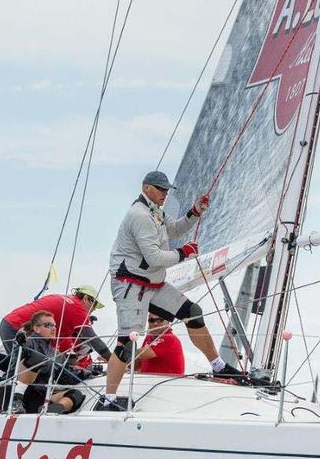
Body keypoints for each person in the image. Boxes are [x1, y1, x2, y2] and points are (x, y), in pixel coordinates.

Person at [100, 170, 243, 410]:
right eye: (160, 189)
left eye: (167, 190)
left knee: (192, 312)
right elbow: (154, 257)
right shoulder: (139, 215)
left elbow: (175, 230)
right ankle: (109, 399)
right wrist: (184, 253)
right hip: (131, 285)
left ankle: (218, 367)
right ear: (146, 188)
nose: (165, 194)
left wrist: (195, 212)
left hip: (152, 283)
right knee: (127, 344)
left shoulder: (155, 212)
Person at [0, 285, 111, 362]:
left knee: (37, 367)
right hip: (17, 329)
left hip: (11, 324)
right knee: (26, 370)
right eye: (95, 304)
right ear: (86, 298)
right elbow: (92, 338)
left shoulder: (67, 300)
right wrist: (113, 360)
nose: (95, 309)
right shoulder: (77, 308)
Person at [16, 311, 87, 414]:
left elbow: (66, 377)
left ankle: (52, 410)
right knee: (36, 358)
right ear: (36, 328)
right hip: (25, 395)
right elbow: (19, 356)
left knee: (76, 394)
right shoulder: (29, 343)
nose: (54, 328)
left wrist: (84, 374)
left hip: (41, 397)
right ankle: (16, 401)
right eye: (49, 325)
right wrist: (21, 344)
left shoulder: (56, 354)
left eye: (54, 325)